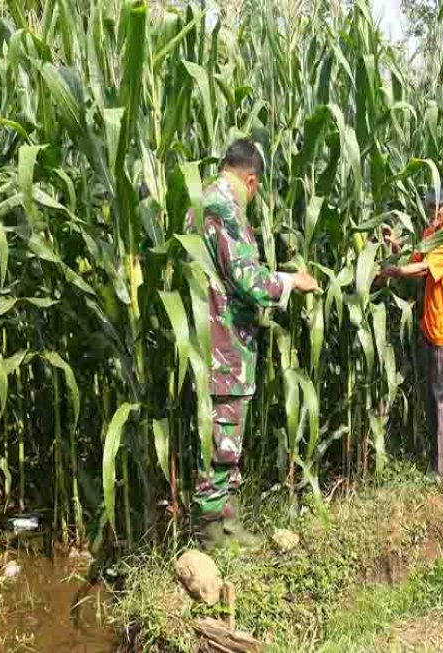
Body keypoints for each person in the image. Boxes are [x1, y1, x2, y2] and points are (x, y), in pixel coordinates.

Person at [187, 139, 320, 549]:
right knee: (221, 446)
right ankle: (213, 538)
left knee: (224, 443)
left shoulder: (199, 204)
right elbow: (249, 280)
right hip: (223, 352)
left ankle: (228, 527)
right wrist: (290, 280)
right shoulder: (224, 209)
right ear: (251, 180)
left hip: (213, 348)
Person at [380, 189, 443, 481]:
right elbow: (414, 255)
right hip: (431, 326)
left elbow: (422, 267)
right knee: (433, 397)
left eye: (438, 208)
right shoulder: (432, 232)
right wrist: (395, 247)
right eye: (429, 206)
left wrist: (397, 271)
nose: (432, 212)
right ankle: (441, 457)